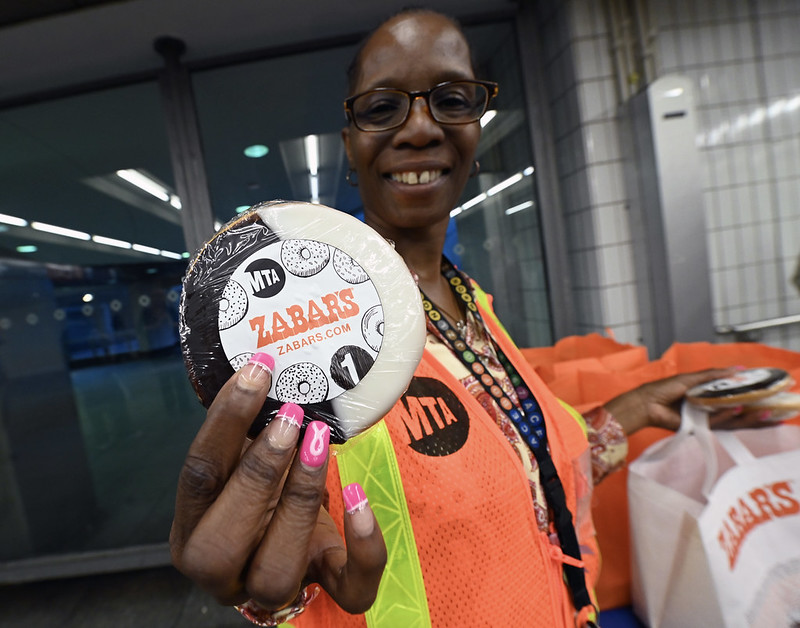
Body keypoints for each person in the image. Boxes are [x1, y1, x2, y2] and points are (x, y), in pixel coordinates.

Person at [169, 8, 769, 627]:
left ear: (477, 131)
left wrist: (641, 407)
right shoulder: (319, 340)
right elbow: (287, 554)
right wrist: (265, 590)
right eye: (382, 109)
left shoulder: (472, 303)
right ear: (350, 145)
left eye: (452, 100)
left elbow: (525, 474)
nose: (421, 128)